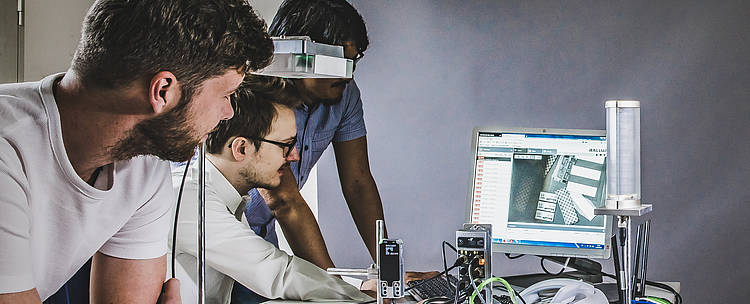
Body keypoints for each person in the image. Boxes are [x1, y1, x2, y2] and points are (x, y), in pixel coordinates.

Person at [0, 0, 273, 302]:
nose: (228, 113)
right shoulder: (8, 148)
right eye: (226, 94)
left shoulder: (143, 162)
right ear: (163, 91)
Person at [170, 76, 372, 304]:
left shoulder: (226, 197)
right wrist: (363, 295)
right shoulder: (193, 202)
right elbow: (279, 274)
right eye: (286, 144)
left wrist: (359, 289)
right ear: (241, 148)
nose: (294, 156)